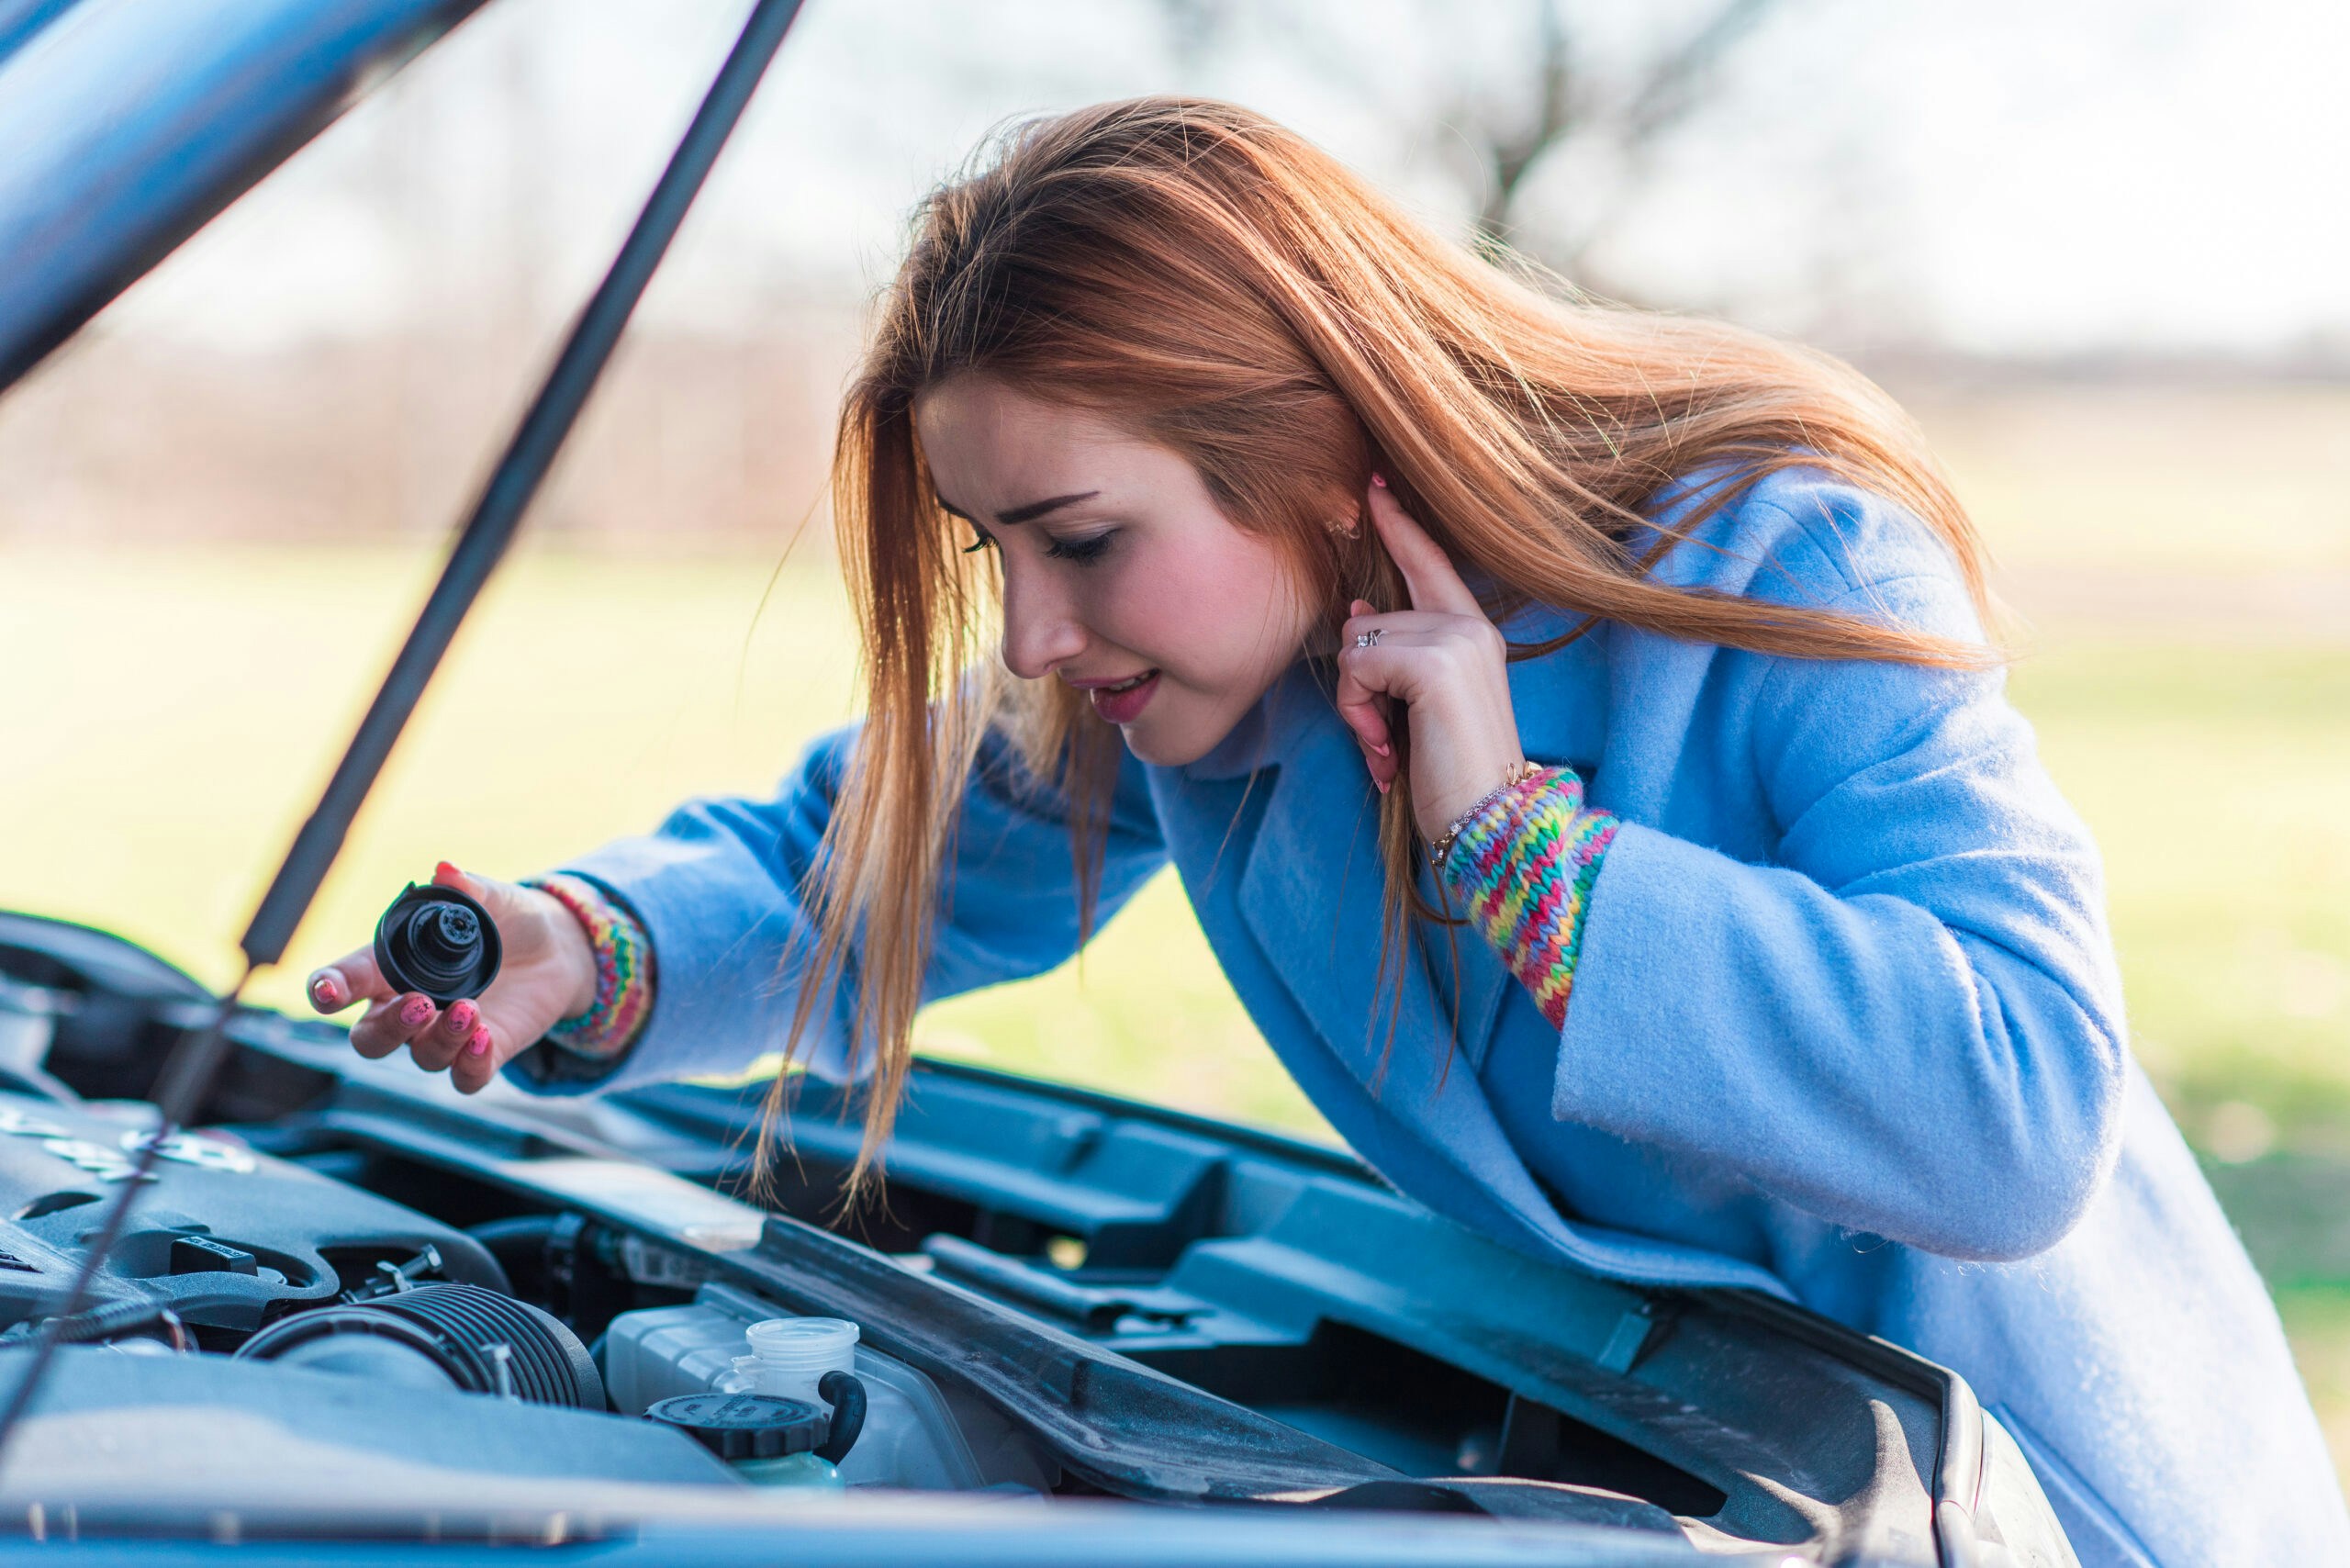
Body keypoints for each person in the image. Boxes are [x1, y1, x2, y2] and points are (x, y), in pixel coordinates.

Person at [301, 98, 2344, 1565]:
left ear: (1318, 453)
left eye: (1081, 537)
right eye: (990, 546)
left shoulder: (1775, 556)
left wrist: (1524, 863)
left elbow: (2012, 1110)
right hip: (1694, 1483)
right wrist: (586, 939)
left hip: (2054, 1505)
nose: (1028, 627)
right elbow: (851, 863)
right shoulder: (1205, 698)